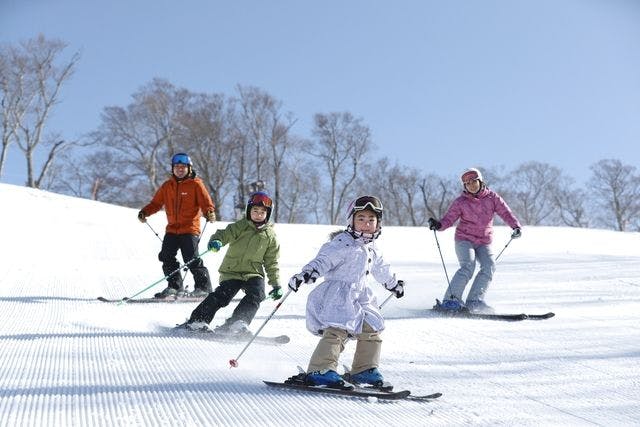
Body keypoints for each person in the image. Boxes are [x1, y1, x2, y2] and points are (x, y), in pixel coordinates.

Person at [287, 195, 404, 388]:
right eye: (361, 219)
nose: (366, 224)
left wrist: (393, 284)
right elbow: (323, 260)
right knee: (337, 330)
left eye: (371, 220)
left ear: (378, 224)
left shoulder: (373, 249)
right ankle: (320, 369)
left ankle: (364, 369)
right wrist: (308, 273)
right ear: (351, 221)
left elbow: (381, 269)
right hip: (338, 295)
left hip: (361, 296)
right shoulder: (342, 243)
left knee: (372, 328)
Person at [182, 191, 281, 337]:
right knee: (222, 296)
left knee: (257, 294)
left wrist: (276, 284)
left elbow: (272, 262)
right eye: (255, 211)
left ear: (268, 214)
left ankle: (238, 323)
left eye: (262, 212)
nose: (258, 214)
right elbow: (223, 234)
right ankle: (198, 320)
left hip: (253, 272)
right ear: (249, 211)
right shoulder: (240, 227)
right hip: (232, 271)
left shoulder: (270, 236)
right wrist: (217, 241)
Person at [428, 167, 522, 313]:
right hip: (464, 240)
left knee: (489, 265)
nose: (471, 185)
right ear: (464, 186)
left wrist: (515, 226)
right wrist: (439, 225)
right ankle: (451, 300)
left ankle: (474, 301)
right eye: (467, 183)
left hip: (484, 241)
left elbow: (505, 212)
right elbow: (449, 218)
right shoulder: (461, 202)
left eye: (473, 181)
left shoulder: (492, 198)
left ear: (480, 181)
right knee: (468, 266)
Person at [138, 153, 216, 298]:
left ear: (189, 168)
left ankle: (204, 287)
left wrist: (209, 212)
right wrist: (145, 212)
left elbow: (206, 203)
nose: (180, 170)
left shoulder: (196, 184)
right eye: (177, 167)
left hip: (190, 228)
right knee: (166, 256)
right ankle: (174, 286)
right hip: (172, 229)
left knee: (191, 258)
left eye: (183, 167)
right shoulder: (168, 186)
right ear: (173, 169)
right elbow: (156, 203)